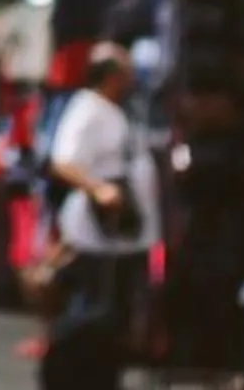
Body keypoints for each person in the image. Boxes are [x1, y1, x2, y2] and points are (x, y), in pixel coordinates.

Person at [40, 44, 154, 390]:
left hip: (117, 235)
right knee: (90, 309)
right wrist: (98, 189)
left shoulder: (113, 110)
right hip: (95, 232)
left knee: (110, 310)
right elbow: (62, 161)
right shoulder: (87, 109)